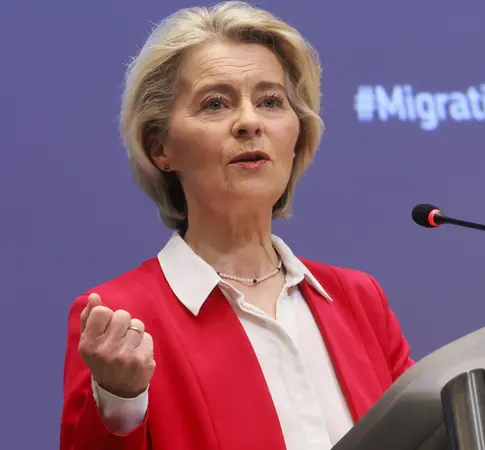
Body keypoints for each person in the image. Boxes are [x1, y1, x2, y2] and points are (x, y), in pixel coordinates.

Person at [59, 2, 414, 449]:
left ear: (297, 133)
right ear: (161, 148)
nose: (249, 122)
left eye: (270, 101)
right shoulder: (121, 317)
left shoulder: (359, 300)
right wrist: (119, 401)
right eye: (215, 103)